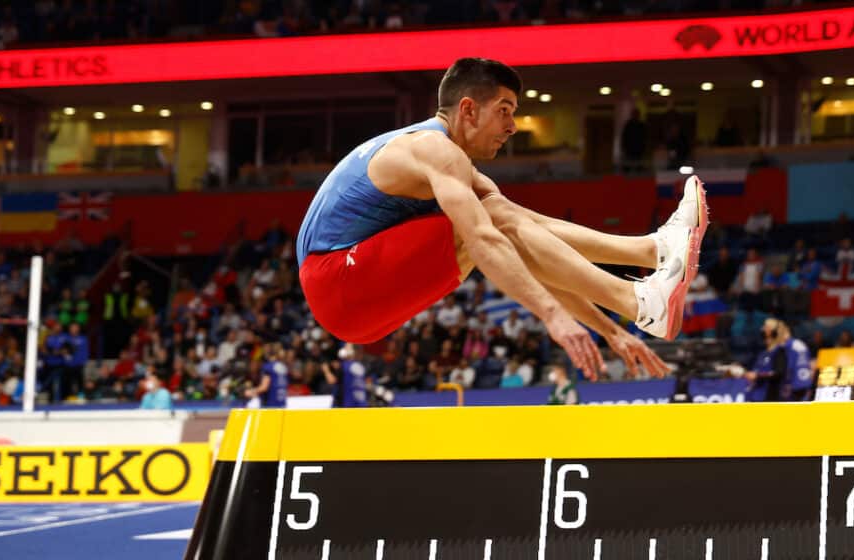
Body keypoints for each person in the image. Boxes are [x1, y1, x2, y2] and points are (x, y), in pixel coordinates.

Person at [296, 58, 704, 379]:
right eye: (504, 111)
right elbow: (487, 243)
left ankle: (649, 254)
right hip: (335, 281)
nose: (512, 127)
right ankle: (637, 293)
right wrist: (551, 316)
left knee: (504, 214)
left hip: (351, 299)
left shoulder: (455, 167)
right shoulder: (434, 152)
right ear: (468, 110)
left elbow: (525, 247)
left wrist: (610, 331)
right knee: (489, 223)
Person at [744, 318, 814, 402]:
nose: (762, 330)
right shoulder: (767, 352)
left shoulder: (789, 347)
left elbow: (784, 371)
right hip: (768, 394)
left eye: (767, 328)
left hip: (789, 392)